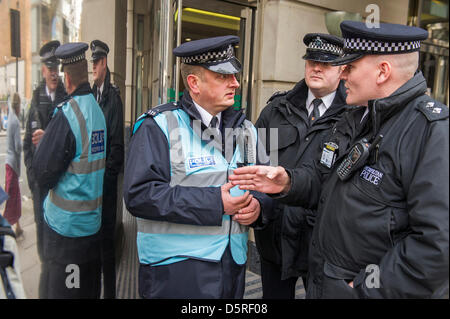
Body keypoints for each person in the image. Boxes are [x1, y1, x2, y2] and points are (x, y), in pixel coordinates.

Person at [229, 21, 449, 298]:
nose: (342, 75)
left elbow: (437, 245)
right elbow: (328, 180)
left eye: (351, 67)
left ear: (383, 72)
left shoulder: (432, 131)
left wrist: (366, 291)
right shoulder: (359, 118)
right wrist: (287, 182)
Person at [124, 35, 272, 299]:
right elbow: (139, 195)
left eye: (234, 76)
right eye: (223, 76)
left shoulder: (247, 129)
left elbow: (265, 186)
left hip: (233, 265)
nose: (235, 83)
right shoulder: (158, 126)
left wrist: (259, 208)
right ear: (194, 83)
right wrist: (216, 203)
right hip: (177, 270)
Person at [254, 33, 347, 299]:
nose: (316, 67)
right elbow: (254, 162)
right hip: (274, 237)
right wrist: (260, 208)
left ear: (342, 70)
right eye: (311, 61)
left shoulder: (352, 116)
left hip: (320, 243)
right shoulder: (276, 109)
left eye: (326, 64)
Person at [33, 42, 107, 299]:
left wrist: (45, 141)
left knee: (67, 293)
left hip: (67, 236)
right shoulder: (98, 113)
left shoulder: (67, 114)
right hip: (91, 229)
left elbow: (42, 172)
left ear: (66, 77)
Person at [23, 40, 66, 264]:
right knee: (41, 232)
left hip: (58, 182)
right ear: (43, 70)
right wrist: (31, 179)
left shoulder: (65, 96)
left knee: (55, 231)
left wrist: (47, 136)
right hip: (40, 183)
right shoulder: (36, 98)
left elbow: (67, 138)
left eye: (56, 69)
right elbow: (27, 146)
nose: (54, 74)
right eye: (50, 69)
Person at [90, 39, 124, 299]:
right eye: (91, 62)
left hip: (106, 188)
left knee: (107, 248)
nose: (92, 67)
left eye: (96, 62)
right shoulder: (90, 96)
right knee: (91, 247)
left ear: (104, 63)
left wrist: (106, 180)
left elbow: (116, 147)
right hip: (90, 188)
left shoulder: (114, 98)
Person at [3, 93, 23, 237]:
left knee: (13, 196)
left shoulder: (10, 117)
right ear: (19, 105)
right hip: (13, 164)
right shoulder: (15, 121)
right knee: (12, 196)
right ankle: (6, 227)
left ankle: (18, 226)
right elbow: (17, 146)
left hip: (8, 163)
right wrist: (23, 141)